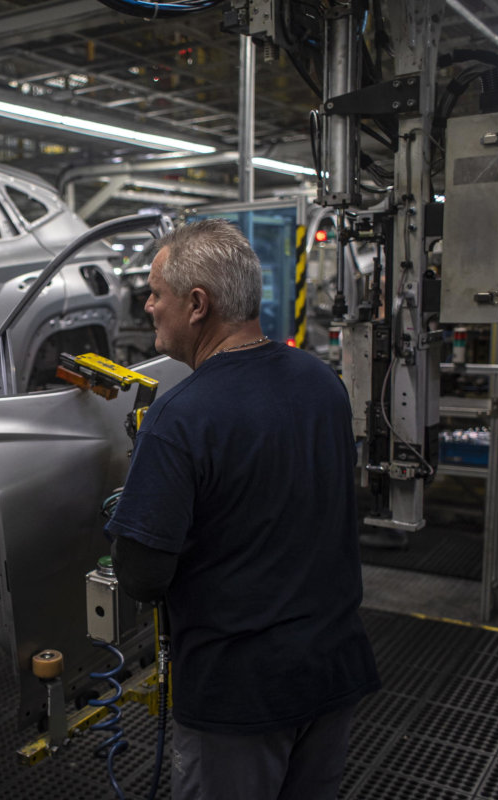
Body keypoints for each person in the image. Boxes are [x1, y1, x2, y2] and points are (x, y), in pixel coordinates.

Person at [106, 218, 379, 800]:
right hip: (331, 668)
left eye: (157, 293)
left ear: (197, 304)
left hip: (240, 695)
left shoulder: (180, 417)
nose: (149, 306)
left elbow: (142, 575)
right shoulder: (322, 382)